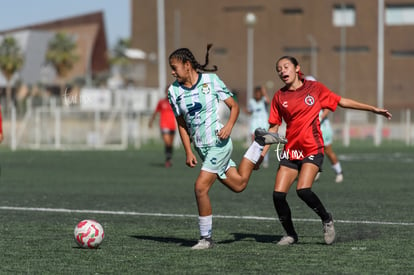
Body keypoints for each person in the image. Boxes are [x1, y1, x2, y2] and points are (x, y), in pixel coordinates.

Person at [258, 56, 392, 246]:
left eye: (286, 67)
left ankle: (327, 219)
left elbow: (341, 101)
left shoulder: (315, 88)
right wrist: (261, 155)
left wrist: (372, 109)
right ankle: (290, 235)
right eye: (278, 69)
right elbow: (273, 128)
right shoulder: (279, 97)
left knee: (303, 190)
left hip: (313, 147)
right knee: (278, 195)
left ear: (297, 68)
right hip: (291, 150)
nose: (282, 71)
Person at [167, 44, 286, 250]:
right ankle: (259, 143)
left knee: (200, 188)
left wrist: (229, 126)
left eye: (174, 67)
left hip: (219, 144)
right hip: (202, 149)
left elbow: (234, 106)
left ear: (187, 65)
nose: (172, 71)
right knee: (239, 185)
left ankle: (206, 239)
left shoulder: (210, 81)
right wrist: (188, 151)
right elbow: (181, 123)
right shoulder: (173, 91)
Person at [305, 76, 343, 183]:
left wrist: (320, 117)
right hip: (312, 130)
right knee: (309, 151)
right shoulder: (304, 97)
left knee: (328, 151)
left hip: (323, 129)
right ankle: (314, 171)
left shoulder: (319, 95)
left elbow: (327, 108)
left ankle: (339, 172)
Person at [148, 88, 177, 167]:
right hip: (164, 125)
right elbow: (156, 112)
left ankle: (169, 158)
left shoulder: (174, 103)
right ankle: (168, 159)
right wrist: (151, 121)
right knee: (167, 142)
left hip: (172, 126)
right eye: (167, 91)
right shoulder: (161, 102)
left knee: (170, 144)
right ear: (165, 92)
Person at [246, 85, 270, 167]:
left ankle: (264, 159)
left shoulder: (264, 100)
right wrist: (246, 111)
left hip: (263, 125)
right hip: (254, 124)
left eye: (259, 93)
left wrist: (264, 92)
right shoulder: (251, 101)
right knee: (254, 143)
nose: (257, 95)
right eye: (256, 93)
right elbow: (250, 111)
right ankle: (254, 160)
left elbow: (268, 102)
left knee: (264, 143)